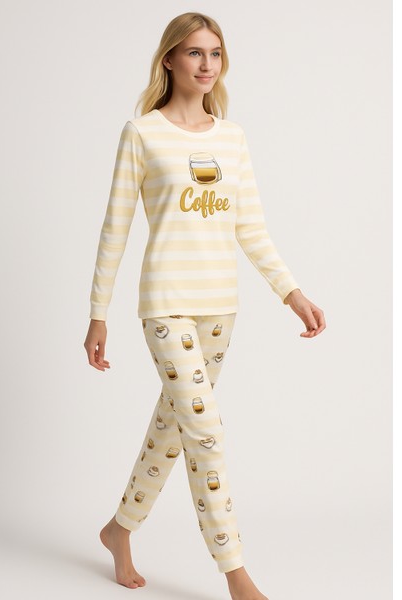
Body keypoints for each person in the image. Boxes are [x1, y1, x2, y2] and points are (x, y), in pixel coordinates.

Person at [84, 11, 326, 600]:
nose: (206, 64)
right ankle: (236, 575)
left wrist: (292, 292)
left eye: (214, 53)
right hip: (165, 303)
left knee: (173, 429)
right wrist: (98, 313)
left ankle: (119, 529)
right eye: (194, 52)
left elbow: (251, 227)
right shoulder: (142, 133)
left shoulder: (232, 137)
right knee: (207, 433)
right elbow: (115, 228)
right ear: (169, 59)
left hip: (221, 307)